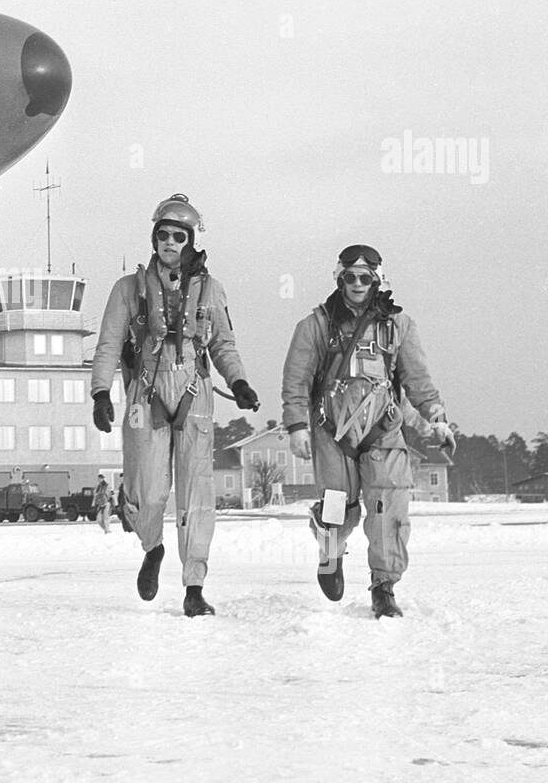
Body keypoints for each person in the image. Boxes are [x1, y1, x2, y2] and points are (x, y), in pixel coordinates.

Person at [91, 194, 260, 616]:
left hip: (194, 394)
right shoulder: (127, 289)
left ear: (190, 242)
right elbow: (109, 343)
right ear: (154, 238)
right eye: (163, 234)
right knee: (145, 492)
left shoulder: (211, 290)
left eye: (178, 236)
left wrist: (238, 381)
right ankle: (152, 547)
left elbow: (223, 344)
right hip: (146, 393)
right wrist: (99, 392)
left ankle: (194, 587)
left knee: (196, 496)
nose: (169, 242)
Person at [281, 243, 455, 618]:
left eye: (365, 277)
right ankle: (330, 553)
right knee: (334, 508)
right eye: (350, 277)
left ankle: (384, 586)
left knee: (387, 510)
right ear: (339, 279)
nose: (357, 284)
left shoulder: (399, 326)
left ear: (378, 279)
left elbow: (417, 379)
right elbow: (296, 381)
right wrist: (297, 426)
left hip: (384, 432)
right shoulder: (316, 325)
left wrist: (436, 417)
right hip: (333, 433)